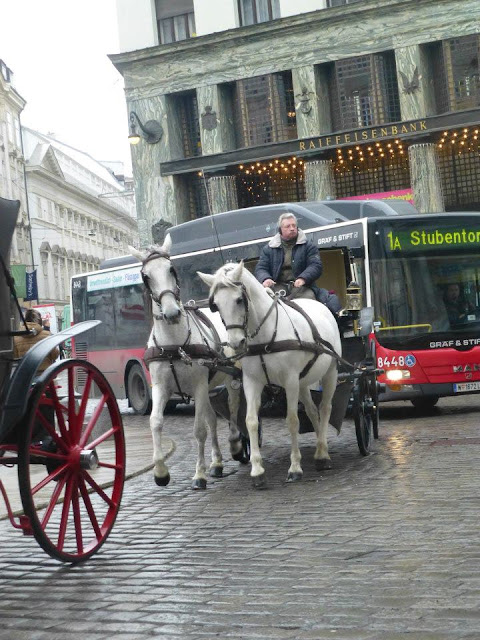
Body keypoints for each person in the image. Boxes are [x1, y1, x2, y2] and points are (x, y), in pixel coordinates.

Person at [254, 212, 342, 314]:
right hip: (277, 288)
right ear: (280, 230)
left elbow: (316, 265)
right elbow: (260, 268)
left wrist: (303, 278)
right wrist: (266, 279)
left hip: (303, 288)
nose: (292, 228)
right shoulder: (268, 249)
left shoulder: (308, 246)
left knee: (312, 308)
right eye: (288, 226)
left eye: (294, 225)